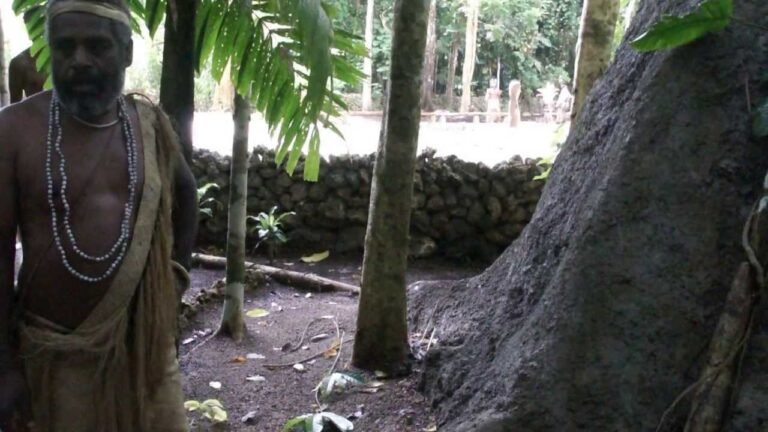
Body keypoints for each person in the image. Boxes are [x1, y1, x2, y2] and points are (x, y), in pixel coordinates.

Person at [0, 0, 198, 431]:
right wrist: (6, 369)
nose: (79, 61)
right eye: (65, 47)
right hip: (56, 361)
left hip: (146, 359)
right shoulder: (13, 131)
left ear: (126, 52)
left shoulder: (148, 124)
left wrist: (173, 288)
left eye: (96, 47)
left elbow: (187, 195)